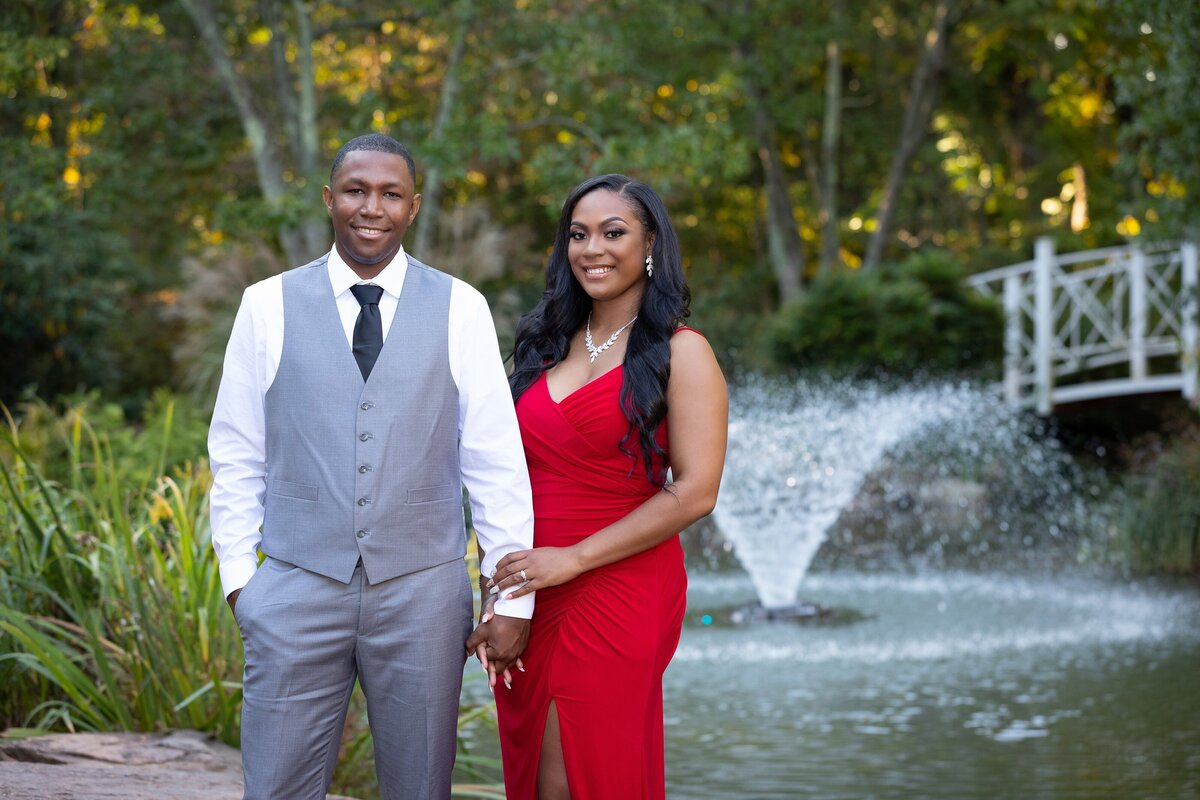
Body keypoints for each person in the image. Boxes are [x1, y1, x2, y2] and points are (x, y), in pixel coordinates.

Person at [208, 132, 534, 800]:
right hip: (296, 586)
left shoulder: (462, 307)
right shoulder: (265, 305)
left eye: (391, 194)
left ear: (413, 207)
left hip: (423, 593)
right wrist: (244, 586)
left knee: (420, 789)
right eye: (356, 190)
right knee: (275, 787)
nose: (371, 207)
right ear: (330, 199)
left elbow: (494, 460)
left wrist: (512, 595)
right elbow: (237, 452)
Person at [469, 174, 728, 799]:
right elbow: (505, 476)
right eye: (579, 235)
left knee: (579, 772)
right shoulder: (543, 344)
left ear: (649, 246)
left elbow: (696, 492)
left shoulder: (681, 351)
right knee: (534, 762)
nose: (593, 249)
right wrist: (500, 596)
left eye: (614, 233)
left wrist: (572, 560)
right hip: (533, 581)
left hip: (617, 582)